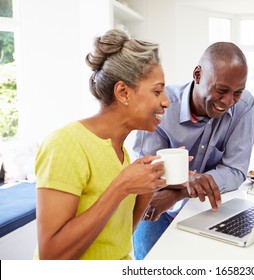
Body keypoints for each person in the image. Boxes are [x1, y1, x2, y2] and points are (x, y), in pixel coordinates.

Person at [33, 29, 170, 260]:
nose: (166, 101)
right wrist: (122, 186)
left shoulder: (121, 153)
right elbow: (51, 257)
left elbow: (117, 240)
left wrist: (145, 193)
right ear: (123, 92)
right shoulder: (66, 144)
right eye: (157, 91)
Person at [131, 42, 254, 260]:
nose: (228, 102)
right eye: (221, 90)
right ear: (198, 74)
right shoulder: (160, 106)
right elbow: (145, 174)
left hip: (204, 211)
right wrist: (186, 181)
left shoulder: (244, 106)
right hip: (156, 208)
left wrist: (182, 190)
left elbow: (235, 170)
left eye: (237, 92)